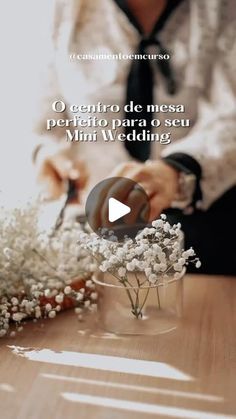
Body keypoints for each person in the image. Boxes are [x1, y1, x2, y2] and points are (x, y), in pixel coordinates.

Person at [32, 0, 236, 275]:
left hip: (203, 233)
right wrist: (46, 152)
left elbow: (231, 115)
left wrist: (176, 170)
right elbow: (43, 109)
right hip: (92, 229)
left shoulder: (222, 10)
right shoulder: (61, 10)